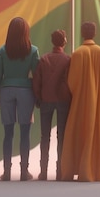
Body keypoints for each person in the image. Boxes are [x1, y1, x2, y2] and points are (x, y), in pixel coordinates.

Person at [0, 17, 39, 181]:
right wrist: (38, 94)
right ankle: (24, 171)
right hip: (26, 90)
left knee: (8, 132)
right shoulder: (33, 51)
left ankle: (7, 171)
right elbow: (37, 75)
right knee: (25, 132)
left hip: (6, 91)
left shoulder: (3, 51)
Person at [61, 22, 100, 182]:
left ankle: (75, 168)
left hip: (80, 102)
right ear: (94, 34)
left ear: (82, 33)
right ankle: (94, 170)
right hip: (97, 102)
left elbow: (71, 81)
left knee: (76, 133)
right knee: (96, 134)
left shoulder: (78, 53)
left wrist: (79, 92)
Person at [32, 30, 71, 181]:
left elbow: (37, 81)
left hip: (46, 99)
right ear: (64, 42)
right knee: (61, 136)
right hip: (63, 100)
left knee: (44, 136)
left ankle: (43, 171)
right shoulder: (68, 59)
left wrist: (38, 96)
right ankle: (60, 170)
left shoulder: (44, 59)